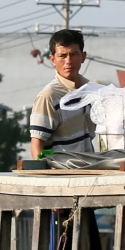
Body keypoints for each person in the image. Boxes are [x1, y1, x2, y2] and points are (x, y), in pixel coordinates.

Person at [29, 29, 98, 160]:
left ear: (83, 57)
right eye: (62, 56)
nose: (68, 61)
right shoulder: (48, 97)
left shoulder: (90, 92)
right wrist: (44, 176)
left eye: (74, 54)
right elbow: (36, 145)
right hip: (60, 175)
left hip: (88, 172)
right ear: (52, 59)